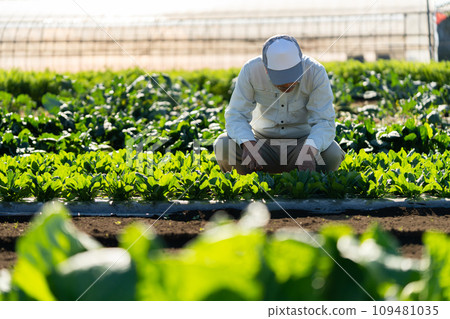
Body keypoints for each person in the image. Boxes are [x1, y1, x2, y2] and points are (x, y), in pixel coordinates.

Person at [213, 34, 345, 175]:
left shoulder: (315, 71)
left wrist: (310, 149)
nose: (288, 84)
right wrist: (248, 143)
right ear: (265, 69)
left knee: (332, 154)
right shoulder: (251, 70)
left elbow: (324, 121)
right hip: (261, 143)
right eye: (280, 79)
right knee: (223, 145)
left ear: (300, 64)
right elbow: (236, 115)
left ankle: (305, 178)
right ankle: (249, 180)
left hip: (302, 143)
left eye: (292, 76)